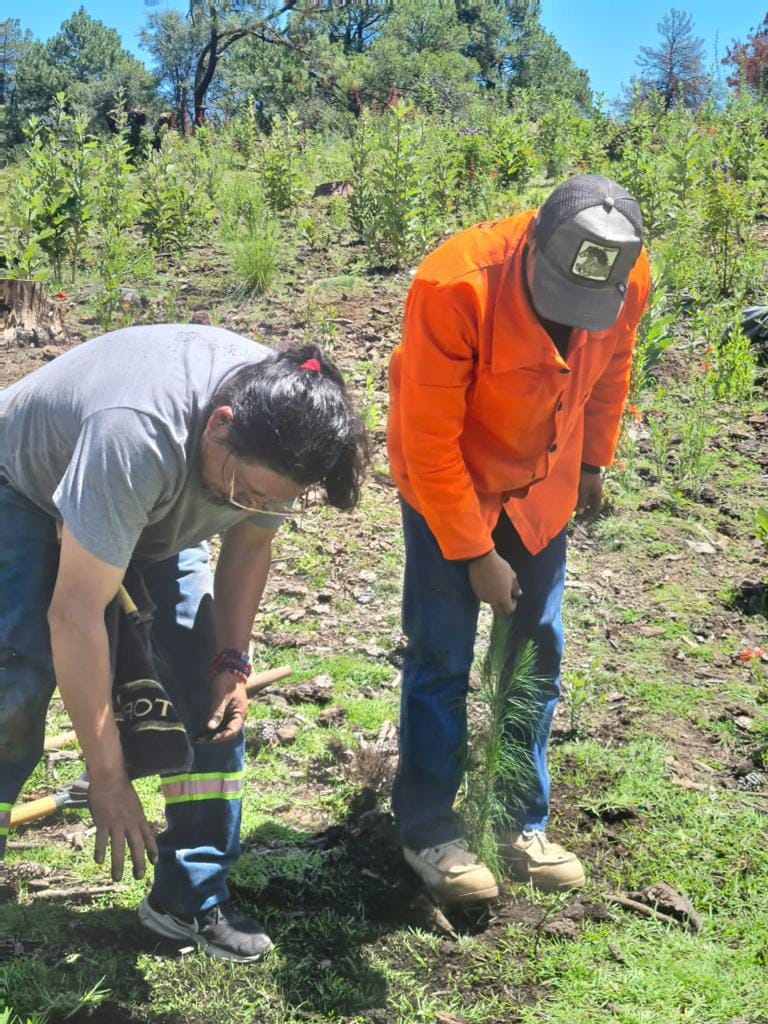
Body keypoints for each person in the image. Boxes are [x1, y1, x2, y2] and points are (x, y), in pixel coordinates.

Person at [0, 324, 367, 960]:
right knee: (16, 682)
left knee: (209, 693)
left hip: (155, 511)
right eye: (244, 492)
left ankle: (189, 895)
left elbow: (251, 543)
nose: (252, 504)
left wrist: (232, 661)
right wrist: (108, 776)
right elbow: (75, 612)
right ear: (218, 424)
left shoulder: (289, 420)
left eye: (268, 499)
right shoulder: (137, 432)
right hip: (22, 488)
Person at [387, 175, 650, 904]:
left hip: (546, 485)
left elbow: (611, 369)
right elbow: (430, 441)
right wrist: (474, 553)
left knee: (534, 651)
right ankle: (430, 829)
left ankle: (514, 822)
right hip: (452, 484)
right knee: (441, 653)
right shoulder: (454, 285)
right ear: (531, 244)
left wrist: (594, 459)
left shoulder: (630, 273)